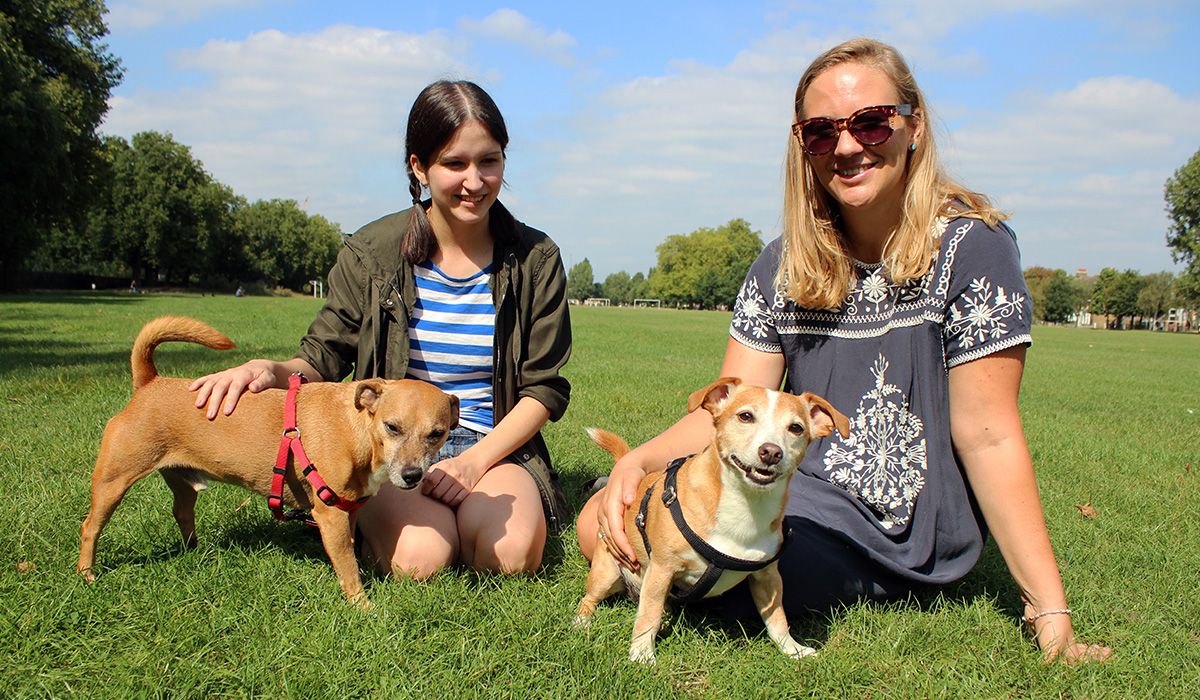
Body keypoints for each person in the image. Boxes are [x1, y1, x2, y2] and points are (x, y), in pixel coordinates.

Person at [576, 38, 1110, 663]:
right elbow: (727, 412)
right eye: (822, 132)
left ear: (914, 126)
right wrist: (633, 466)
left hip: (909, 522)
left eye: (871, 122)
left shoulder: (974, 249)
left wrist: (1050, 610)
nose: (849, 146)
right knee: (601, 524)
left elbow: (988, 435)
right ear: (802, 145)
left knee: (710, 571)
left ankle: (864, 577)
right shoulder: (781, 264)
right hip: (790, 485)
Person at [190, 80, 572, 579]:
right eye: (455, 163)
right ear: (419, 166)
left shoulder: (535, 259)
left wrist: (472, 464)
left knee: (512, 556)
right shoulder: (371, 252)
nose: (474, 181)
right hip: (385, 448)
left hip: (490, 445)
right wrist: (270, 369)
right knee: (422, 560)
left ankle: (450, 519)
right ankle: (376, 520)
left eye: (489, 161)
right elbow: (323, 356)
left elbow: (543, 389)